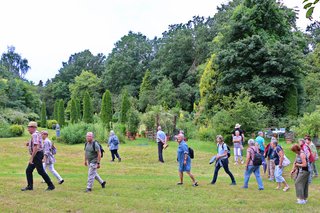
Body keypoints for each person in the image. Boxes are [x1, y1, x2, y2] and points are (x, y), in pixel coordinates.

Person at [21, 121, 55, 191]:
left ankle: (51, 185)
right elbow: (38, 143)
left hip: (37, 155)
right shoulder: (36, 134)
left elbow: (36, 147)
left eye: (29, 128)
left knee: (40, 171)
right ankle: (30, 186)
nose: (28, 129)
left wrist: (32, 158)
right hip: (38, 154)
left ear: (33, 128)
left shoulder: (34, 134)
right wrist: (29, 143)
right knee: (29, 170)